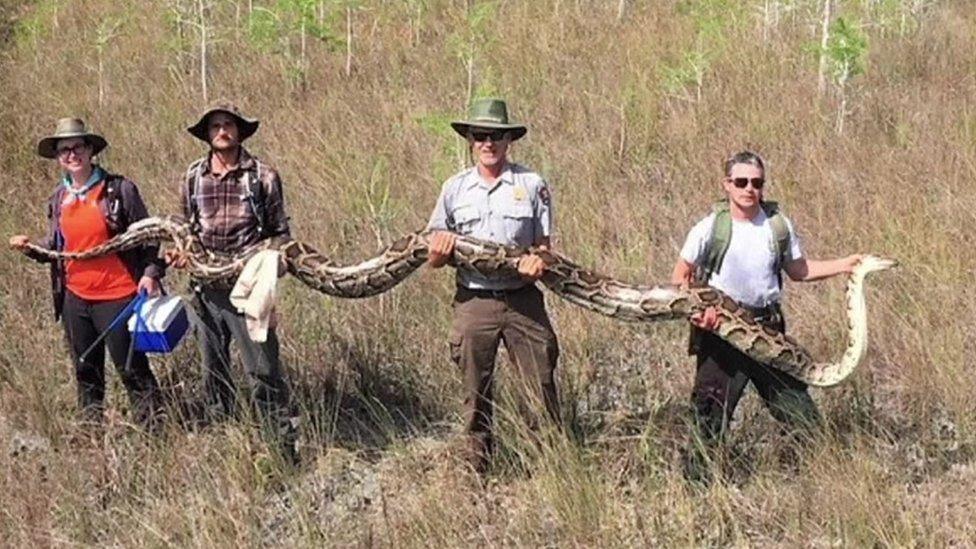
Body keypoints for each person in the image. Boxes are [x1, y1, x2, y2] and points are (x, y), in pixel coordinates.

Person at [671, 150, 862, 482]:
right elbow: (681, 276)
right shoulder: (709, 227)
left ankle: (824, 479)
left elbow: (799, 270)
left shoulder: (777, 225)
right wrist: (699, 314)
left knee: (800, 413)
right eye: (741, 182)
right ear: (727, 185)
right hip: (721, 334)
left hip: (768, 332)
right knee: (708, 418)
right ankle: (698, 493)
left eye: (756, 183)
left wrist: (846, 264)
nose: (749, 189)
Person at [426, 98, 560, 475]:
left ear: (508, 141)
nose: (488, 143)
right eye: (481, 135)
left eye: (496, 136)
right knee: (475, 391)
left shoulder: (532, 185)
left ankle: (549, 467)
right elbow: (433, 257)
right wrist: (438, 251)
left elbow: (546, 250)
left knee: (541, 385)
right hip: (474, 300)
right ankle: (476, 470)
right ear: (470, 140)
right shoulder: (454, 188)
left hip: (522, 300)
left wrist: (539, 262)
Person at [9, 118, 164, 427]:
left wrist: (150, 272)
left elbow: (150, 236)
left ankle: (155, 432)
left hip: (119, 295)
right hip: (75, 298)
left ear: (91, 150)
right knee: (85, 368)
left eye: (78, 146)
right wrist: (31, 248)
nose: (71, 154)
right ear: (57, 157)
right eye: (64, 149)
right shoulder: (59, 198)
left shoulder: (119, 190)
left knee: (131, 367)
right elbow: (59, 248)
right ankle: (91, 433)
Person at [169, 102, 298, 463]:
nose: (222, 131)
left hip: (250, 290)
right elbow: (186, 231)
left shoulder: (263, 176)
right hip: (205, 290)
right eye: (215, 126)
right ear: (207, 135)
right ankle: (224, 446)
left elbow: (280, 234)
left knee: (263, 370)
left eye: (228, 125)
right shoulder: (192, 177)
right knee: (213, 371)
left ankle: (281, 448)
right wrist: (181, 255)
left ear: (239, 131)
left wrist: (271, 264)